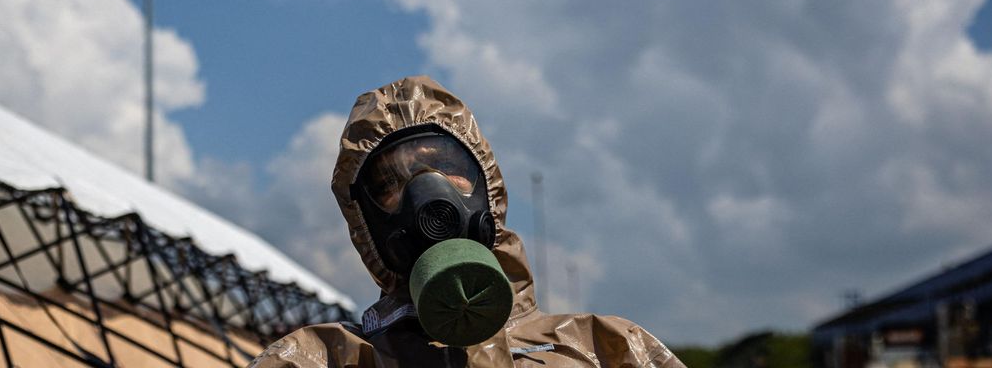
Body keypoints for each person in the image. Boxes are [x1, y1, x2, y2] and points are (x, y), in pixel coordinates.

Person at [251, 76, 685, 367]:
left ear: (486, 187)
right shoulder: (318, 359)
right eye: (389, 183)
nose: (426, 195)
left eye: (444, 165)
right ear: (366, 224)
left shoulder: (607, 348)